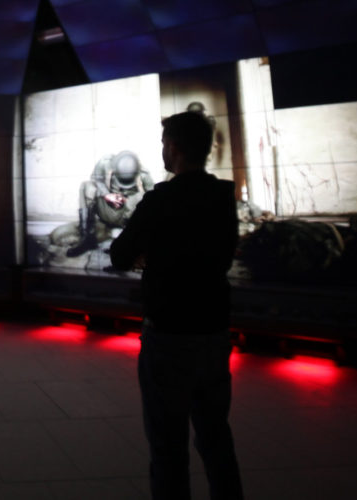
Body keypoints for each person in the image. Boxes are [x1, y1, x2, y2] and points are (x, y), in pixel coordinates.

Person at [110, 111, 243, 500]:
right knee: (217, 438)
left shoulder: (160, 200)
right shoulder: (223, 196)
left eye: (165, 142)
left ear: (177, 147)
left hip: (167, 336)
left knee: (168, 447)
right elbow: (219, 257)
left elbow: (120, 254)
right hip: (214, 332)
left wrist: (148, 256)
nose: (163, 150)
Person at [66, 150, 154, 257]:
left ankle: (129, 244)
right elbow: (95, 179)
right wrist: (106, 195)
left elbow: (154, 203)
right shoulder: (105, 163)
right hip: (107, 210)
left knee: (144, 197)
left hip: (127, 216)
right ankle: (87, 239)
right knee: (87, 186)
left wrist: (130, 200)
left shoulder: (144, 174)